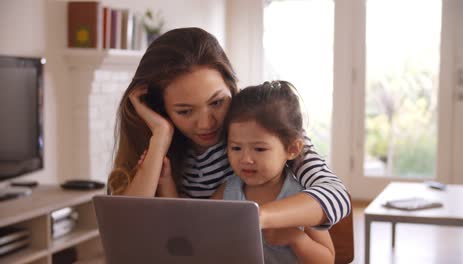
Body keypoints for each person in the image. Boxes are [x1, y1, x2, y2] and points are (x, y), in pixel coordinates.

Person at [107, 27, 351, 229]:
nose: (206, 124)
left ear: (232, 86)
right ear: (162, 110)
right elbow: (126, 227)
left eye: (217, 102)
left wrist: (254, 217)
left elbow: (337, 196)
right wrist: (160, 137)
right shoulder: (161, 145)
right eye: (184, 111)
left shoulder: (265, 129)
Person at [210, 81, 335, 263]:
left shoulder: (301, 199)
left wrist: (296, 238)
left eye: (259, 149)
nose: (245, 159)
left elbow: (327, 259)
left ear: (292, 149)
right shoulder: (227, 193)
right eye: (236, 148)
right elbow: (200, 234)